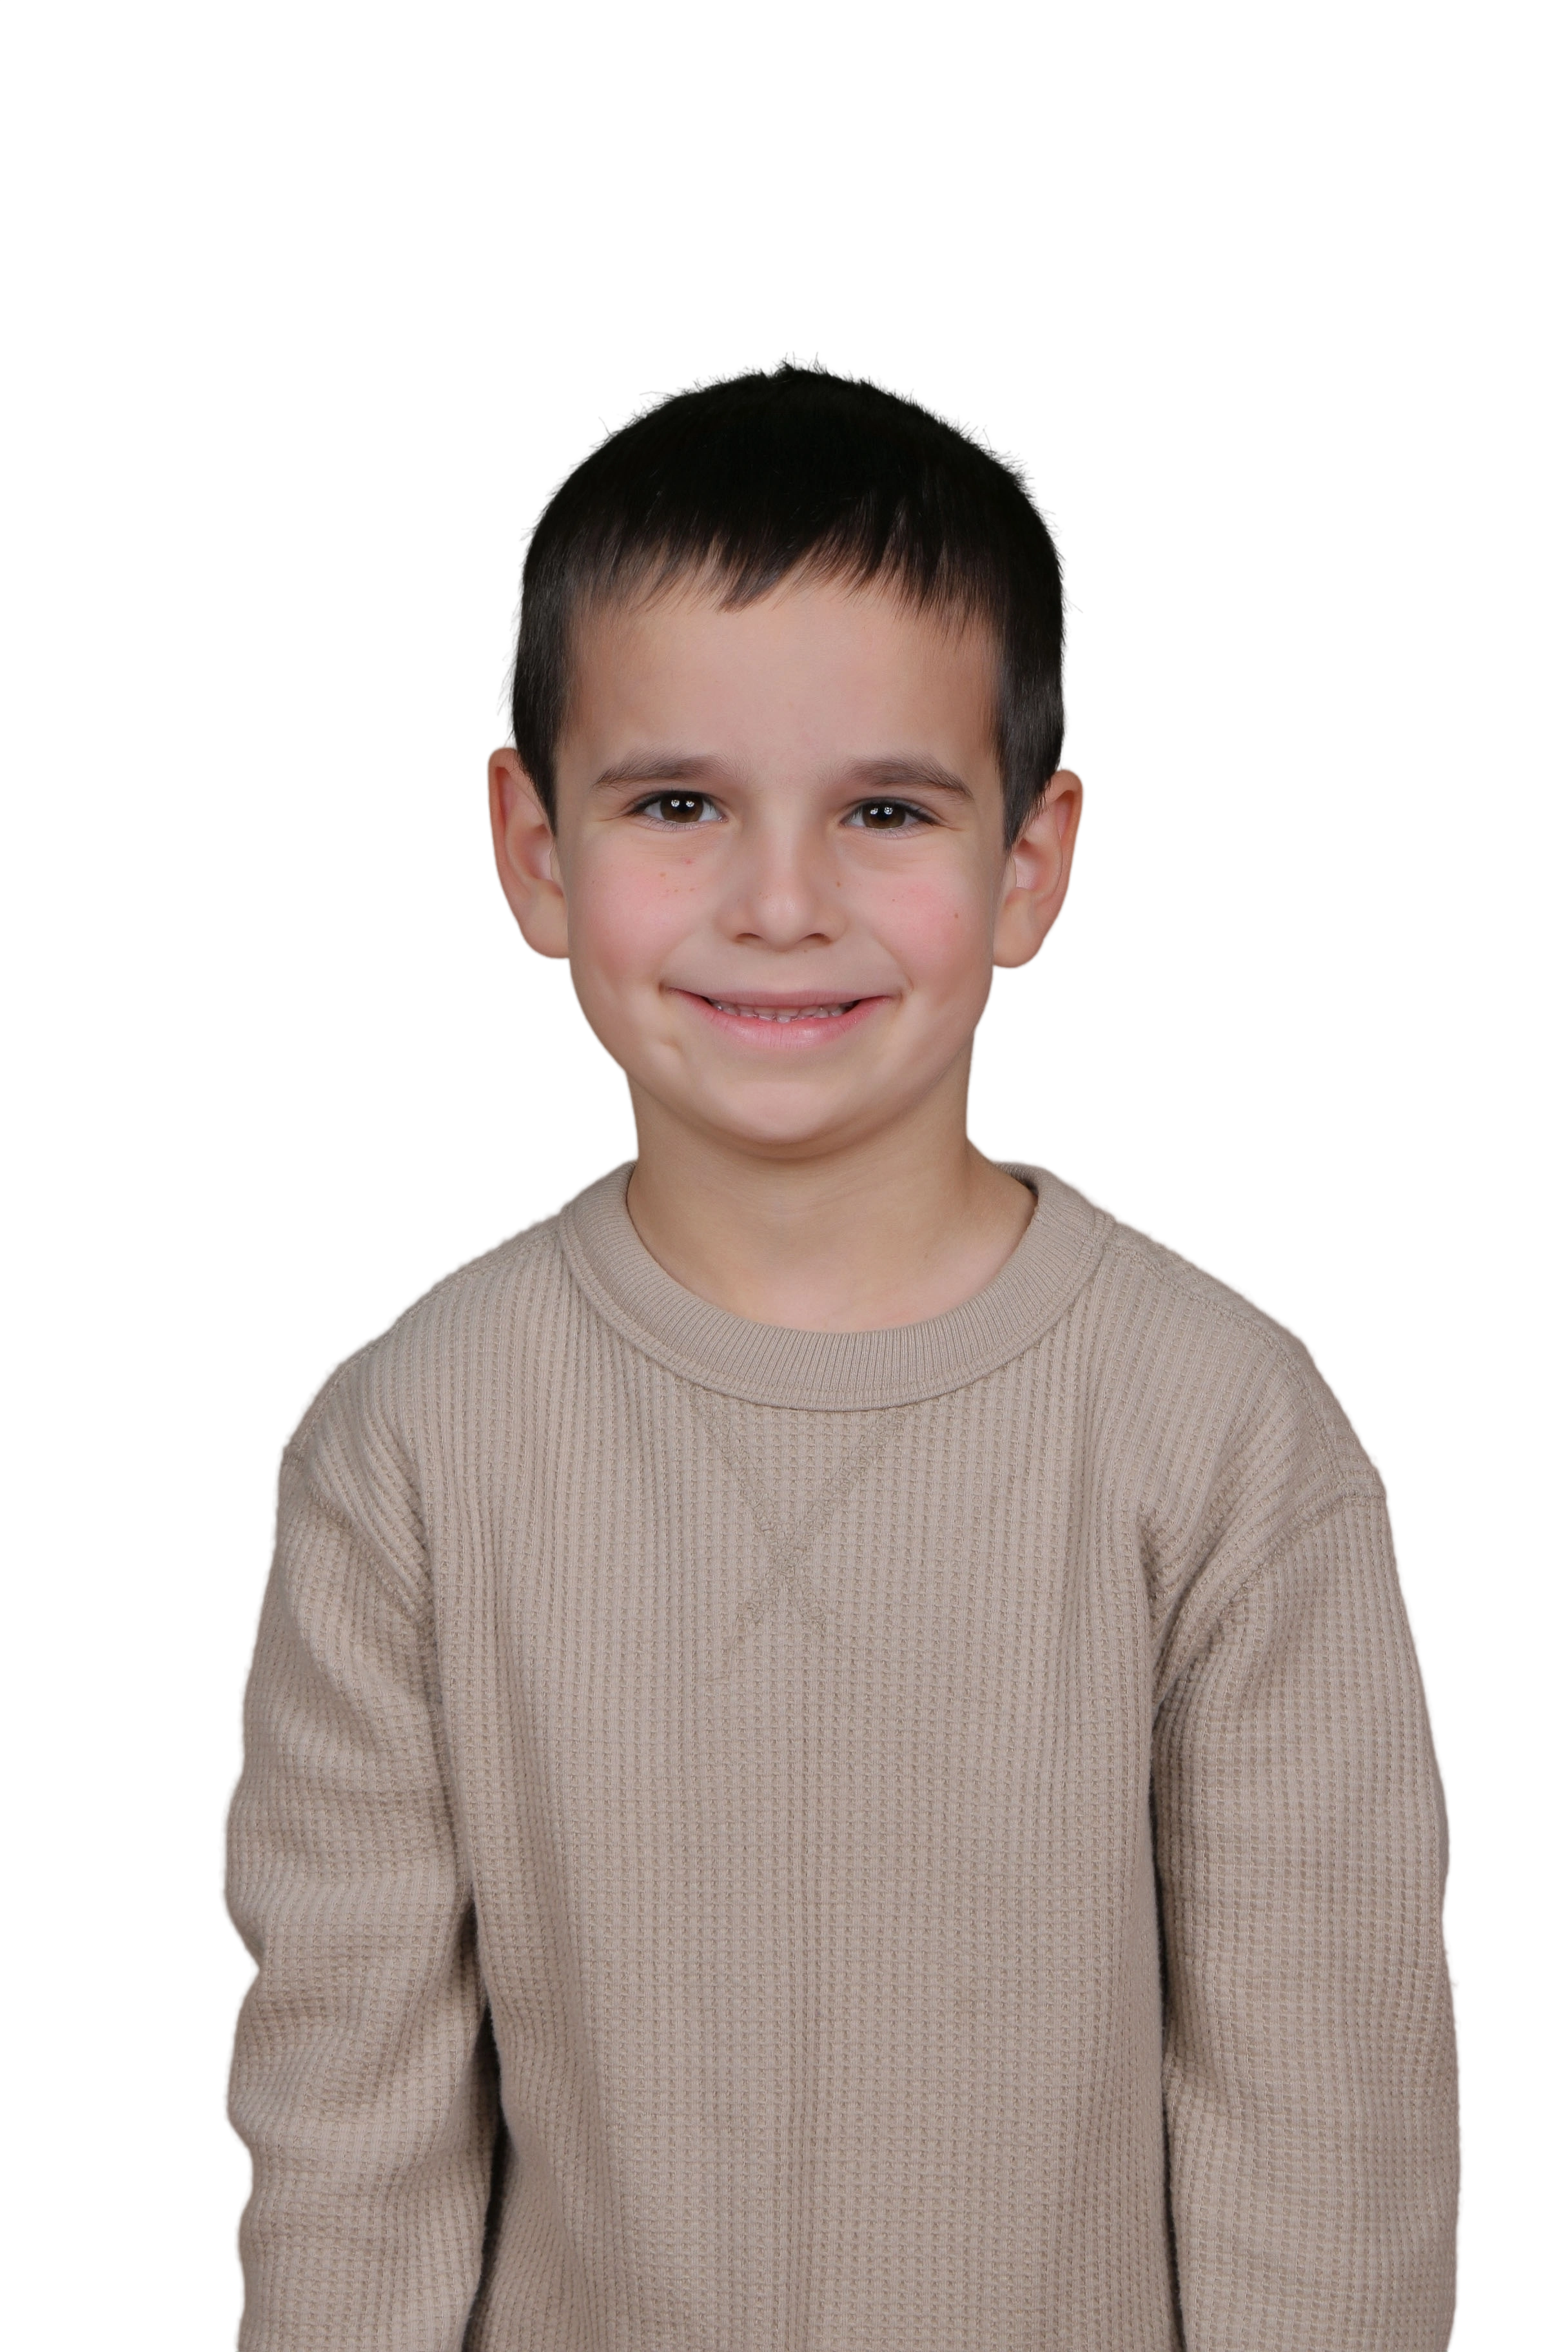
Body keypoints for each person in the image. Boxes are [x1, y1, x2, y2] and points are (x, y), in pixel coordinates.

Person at [217, 348, 1464, 2350]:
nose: (780, 902)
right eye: (679, 802)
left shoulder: (1226, 1439)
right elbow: (349, 2149)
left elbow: (1325, 2147)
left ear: (1030, 862)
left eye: (884, 807)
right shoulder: (407, 1447)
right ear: (535, 850)